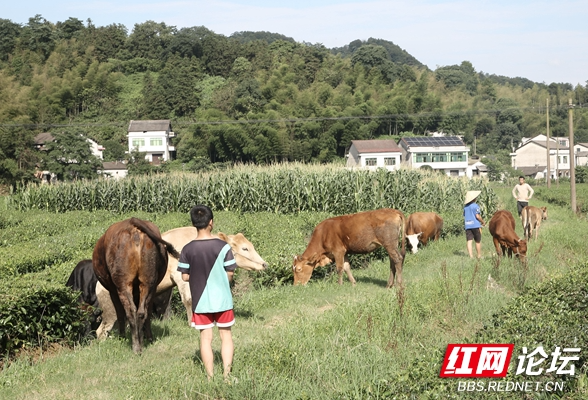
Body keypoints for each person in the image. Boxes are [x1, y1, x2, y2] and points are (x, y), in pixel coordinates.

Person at [178, 205, 237, 381]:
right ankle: (227, 376)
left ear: (194, 223)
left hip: (201, 301)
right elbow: (230, 273)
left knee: (206, 339)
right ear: (211, 222)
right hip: (223, 300)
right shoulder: (223, 246)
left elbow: (185, 276)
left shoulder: (187, 249)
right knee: (226, 336)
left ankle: (210, 378)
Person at [464, 190, 485, 259]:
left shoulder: (465, 207)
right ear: (474, 198)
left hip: (467, 225)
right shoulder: (475, 206)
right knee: (477, 241)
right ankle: (479, 255)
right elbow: (477, 216)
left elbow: (464, 215)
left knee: (469, 241)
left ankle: (471, 256)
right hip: (475, 225)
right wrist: (482, 222)